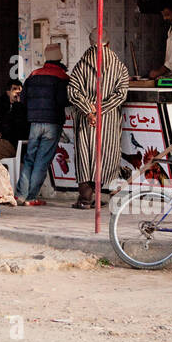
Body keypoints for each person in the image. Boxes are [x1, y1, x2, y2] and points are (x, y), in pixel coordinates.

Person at [68, 28, 130, 209]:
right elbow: (121, 94)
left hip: (86, 120)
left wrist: (89, 111)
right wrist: (101, 110)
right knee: (104, 156)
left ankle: (85, 199)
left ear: (90, 43)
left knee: (85, 157)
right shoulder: (119, 66)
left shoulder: (81, 65)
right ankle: (100, 197)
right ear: (108, 44)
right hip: (107, 120)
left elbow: (72, 91)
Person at [16, 44, 69, 205]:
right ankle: (31, 197)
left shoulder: (34, 75)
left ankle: (20, 195)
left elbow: (23, 99)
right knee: (42, 160)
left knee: (29, 158)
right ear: (60, 58)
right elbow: (63, 101)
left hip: (34, 123)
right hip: (52, 124)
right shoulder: (62, 77)